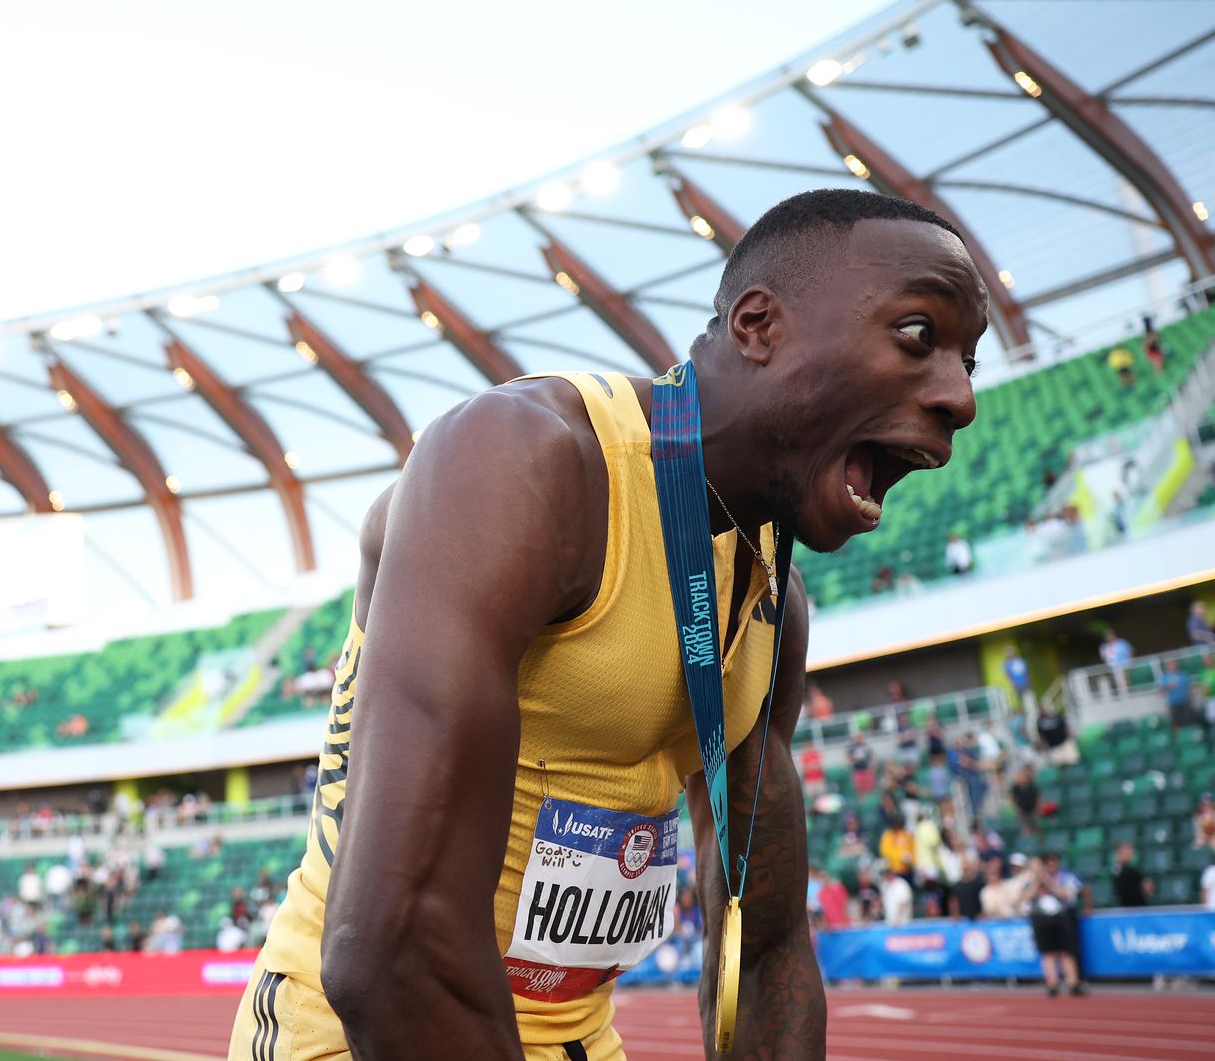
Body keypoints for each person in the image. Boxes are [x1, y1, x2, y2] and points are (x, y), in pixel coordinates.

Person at [230, 189, 987, 1060]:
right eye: (920, 336)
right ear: (757, 324)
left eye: (970, 362)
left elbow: (765, 946)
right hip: (355, 1039)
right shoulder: (523, 463)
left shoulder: (775, 602)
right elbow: (392, 949)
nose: (961, 399)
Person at [1027, 853, 1086, 997]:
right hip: (1041, 918)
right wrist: (1037, 882)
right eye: (1047, 862)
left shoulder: (1065, 877)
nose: (1051, 865)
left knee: (1066, 951)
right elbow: (1025, 897)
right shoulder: (1032, 880)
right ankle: (1052, 983)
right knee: (1048, 953)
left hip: (1061, 917)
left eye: (1053, 862)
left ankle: (1073, 983)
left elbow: (1067, 895)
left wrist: (1050, 883)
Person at [1161, 660, 1199, 735]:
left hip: (1185, 701)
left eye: (1174, 664)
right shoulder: (1164, 677)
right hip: (1173, 703)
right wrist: (1169, 686)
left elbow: (1189, 688)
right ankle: (1178, 739)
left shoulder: (1183, 674)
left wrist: (1191, 699)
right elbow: (1161, 690)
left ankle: (1195, 735)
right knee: (1176, 722)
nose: (1172, 666)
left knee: (1192, 719)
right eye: (1170, 664)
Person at [1111, 842, 1152, 908]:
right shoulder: (1120, 870)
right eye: (1127, 850)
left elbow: (1149, 889)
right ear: (1119, 853)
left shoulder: (1134, 872)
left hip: (1139, 909)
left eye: (1131, 850)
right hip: (1128, 909)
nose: (1130, 853)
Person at [1099, 630, 1133, 697]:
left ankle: (1128, 693)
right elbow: (1105, 657)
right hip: (1114, 666)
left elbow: (1130, 650)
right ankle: (1124, 694)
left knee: (1125, 679)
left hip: (1125, 664)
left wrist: (1131, 660)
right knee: (1119, 681)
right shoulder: (1106, 646)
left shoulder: (1122, 642)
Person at [1010, 766, 1042, 838]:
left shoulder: (1032, 786)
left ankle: (1039, 843)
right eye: (1019, 776)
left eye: (1022, 776)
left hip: (1033, 811)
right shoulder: (1015, 787)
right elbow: (1013, 799)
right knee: (1024, 829)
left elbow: (1038, 797)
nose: (1020, 778)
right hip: (1022, 812)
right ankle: (1027, 845)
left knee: (1036, 829)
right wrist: (1016, 808)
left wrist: (1037, 808)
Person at [1002, 645, 1033, 710]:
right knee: (1021, 700)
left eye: (1011, 652)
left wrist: (1029, 680)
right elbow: (1007, 675)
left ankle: (1031, 709)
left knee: (1029, 698)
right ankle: (1026, 710)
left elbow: (1027, 671)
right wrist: (1012, 683)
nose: (1010, 654)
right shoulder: (1007, 664)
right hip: (1017, 684)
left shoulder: (1021, 660)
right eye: (1008, 652)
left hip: (1026, 682)